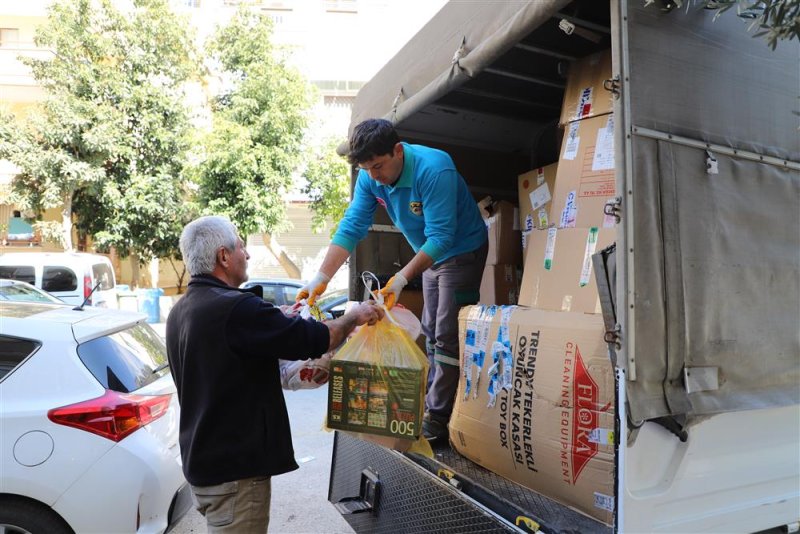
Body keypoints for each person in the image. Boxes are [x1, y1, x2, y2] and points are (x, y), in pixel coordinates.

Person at [166, 215, 383, 533]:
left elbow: (235, 358)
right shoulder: (237, 309)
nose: (248, 254)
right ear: (223, 257)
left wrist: (279, 320)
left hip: (206, 466)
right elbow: (319, 339)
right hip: (234, 475)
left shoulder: (182, 311)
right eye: (241, 246)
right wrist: (354, 316)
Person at [296, 118, 487, 442]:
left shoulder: (434, 169)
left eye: (378, 166)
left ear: (398, 151)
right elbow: (352, 225)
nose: (374, 177)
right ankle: (430, 406)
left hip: (460, 251)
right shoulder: (371, 178)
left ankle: (438, 421)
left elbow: (441, 237)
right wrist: (321, 277)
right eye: (367, 169)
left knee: (447, 333)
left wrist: (400, 278)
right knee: (429, 331)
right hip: (428, 255)